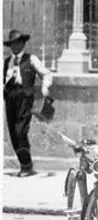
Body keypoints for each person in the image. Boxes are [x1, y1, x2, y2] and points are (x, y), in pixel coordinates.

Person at [3, 29, 54, 177]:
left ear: (23, 44)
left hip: (25, 98)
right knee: (13, 132)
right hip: (10, 98)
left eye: (18, 43)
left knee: (21, 131)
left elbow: (46, 73)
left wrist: (45, 87)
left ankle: (27, 166)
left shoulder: (31, 59)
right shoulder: (7, 62)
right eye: (12, 44)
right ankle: (24, 165)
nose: (15, 47)